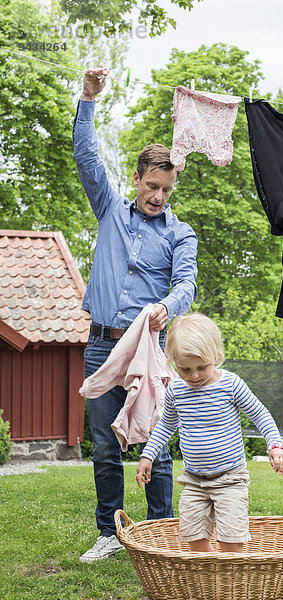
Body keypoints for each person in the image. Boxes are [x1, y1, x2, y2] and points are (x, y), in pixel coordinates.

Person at [73, 65, 198, 563]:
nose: (158, 197)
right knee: (106, 445)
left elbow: (185, 284)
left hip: (147, 347)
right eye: (152, 186)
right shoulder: (108, 208)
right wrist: (88, 99)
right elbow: (86, 155)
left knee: (153, 439)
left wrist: (167, 307)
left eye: (166, 190)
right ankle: (110, 531)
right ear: (137, 178)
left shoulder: (179, 233)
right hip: (103, 343)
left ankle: (161, 531)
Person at [136, 313, 283, 553]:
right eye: (184, 369)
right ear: (172, 360)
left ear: (216, 356)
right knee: (193, 537)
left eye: (201, 367)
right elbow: (165, 425)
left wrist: (275, 444)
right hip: (193, 480)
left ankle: (232, 581)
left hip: (230, 479)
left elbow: (259, 413)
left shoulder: (230, 385)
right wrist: (148, 456)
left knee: (232, 540)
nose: (193, 376)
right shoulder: (176, 389)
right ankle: (213, 577)